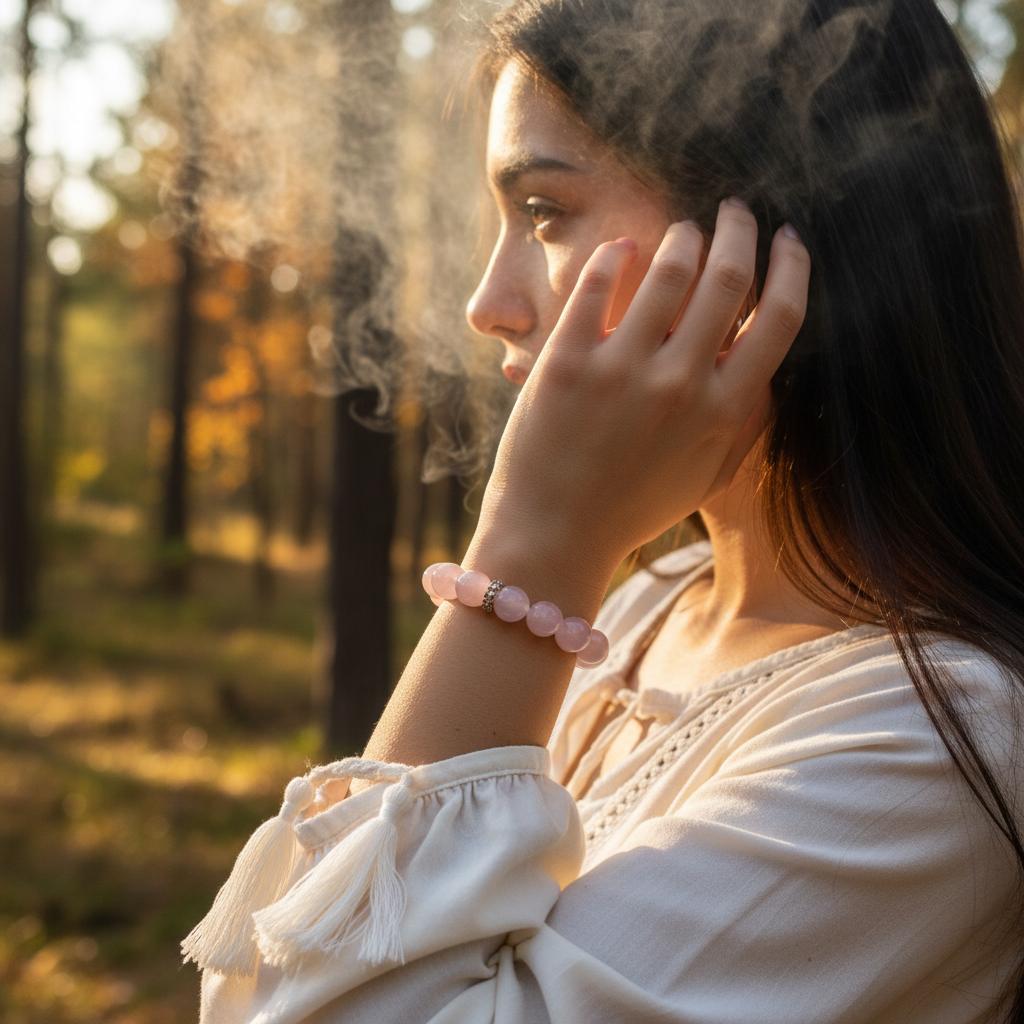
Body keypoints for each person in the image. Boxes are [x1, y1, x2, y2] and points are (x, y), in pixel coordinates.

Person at [184, 0, 1024, 1020]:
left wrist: (532, 549)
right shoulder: (646, 606)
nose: (487, 303)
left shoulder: (931, 742)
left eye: (543, 211)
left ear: (765, 240)